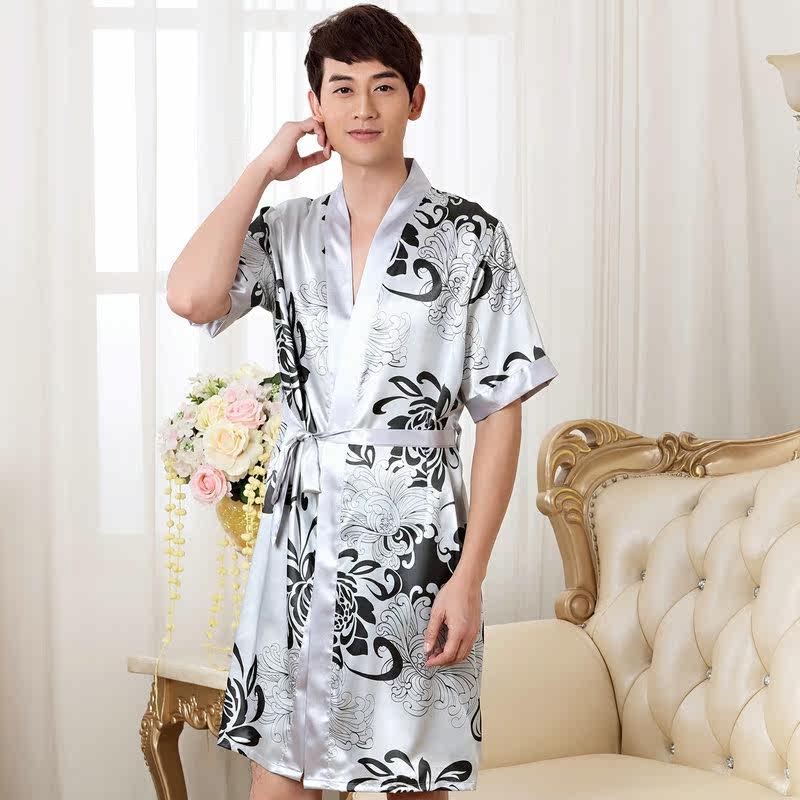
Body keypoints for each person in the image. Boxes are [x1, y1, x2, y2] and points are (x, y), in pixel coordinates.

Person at [166, 4, 558, 799]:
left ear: (417, 99)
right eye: (342, 88)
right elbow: (192, 296)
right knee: (281, 774)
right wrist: (262, 169)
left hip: (415, 546)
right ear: (315, 107)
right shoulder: (287, 229)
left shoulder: (470, 237)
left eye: (384, 86)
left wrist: (469, 577)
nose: (364, 107)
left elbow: (501, 413)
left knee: (413, 774)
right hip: (299, 542)